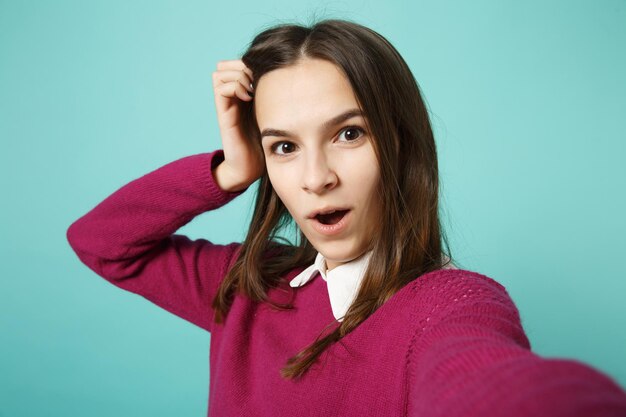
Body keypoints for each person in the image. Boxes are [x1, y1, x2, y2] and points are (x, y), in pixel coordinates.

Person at [66, 18, 626, 416]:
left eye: (348, 134)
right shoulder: (245, 286)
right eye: (283, 147)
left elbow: (493, 386)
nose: (316, 177)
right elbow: (100, 242)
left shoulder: (450, 307)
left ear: (400, 146)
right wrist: (230, 170)